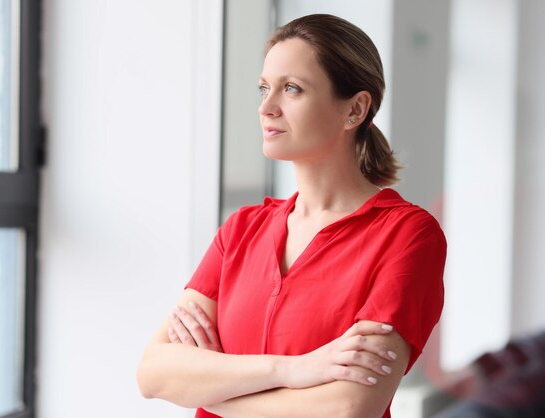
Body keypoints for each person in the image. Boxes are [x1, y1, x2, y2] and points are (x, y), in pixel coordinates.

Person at [137, 13, 446, 418]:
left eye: (292, 89)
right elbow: (154, 373)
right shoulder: (241, 230)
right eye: (264, 88)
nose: (267, 107)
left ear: (354, 110)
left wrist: (213, 392)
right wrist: (297, 369)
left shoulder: (408, 235)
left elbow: (349, 407)